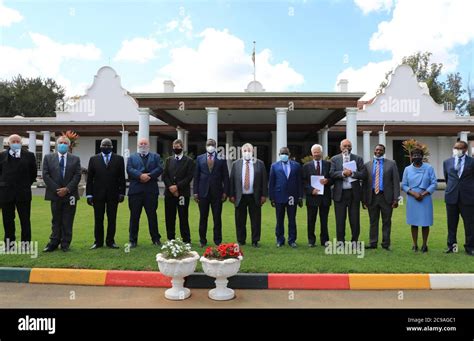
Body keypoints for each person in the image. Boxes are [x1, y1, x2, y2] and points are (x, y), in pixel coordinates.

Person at [42, 136, 81, 252]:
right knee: (56, 219)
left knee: (68, 219)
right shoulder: (48, 158)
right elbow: (46, 175)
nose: (63, 144)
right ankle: (53, 242)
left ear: (68, 145)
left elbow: (77, 175)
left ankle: (65, 244)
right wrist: (58, 189)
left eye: (65, 143)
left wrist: (67, 189)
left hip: (70, 195)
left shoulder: (75, 159)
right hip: (55, 194)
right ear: (57, 144)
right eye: (60, 142)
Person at [86, 138, 126, 249]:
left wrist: (122, 193)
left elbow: (122, 177)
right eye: (104, 145)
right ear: (100, 146)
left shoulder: (119, 159)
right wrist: (89, 195)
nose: (106, 147)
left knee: (112, 218)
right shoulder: (93, 159)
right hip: (97, 194)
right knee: (98, 219)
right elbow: (89, 179)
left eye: (109, 145)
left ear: (112, 147)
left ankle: (110, 241)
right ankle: (98, 242)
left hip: (113, 195)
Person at [0, 134, 37, 251]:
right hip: (6, 193)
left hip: (23, 193)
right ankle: (9, 244)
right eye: (13, 141)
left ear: (21, 143)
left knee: (25, 220)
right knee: (7, 220)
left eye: (18, 141)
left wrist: (25, 185)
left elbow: (33, 174)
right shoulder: (1, 156)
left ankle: (25, 245)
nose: (15, 143)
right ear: (9, 143)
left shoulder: (29, 156)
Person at [229, 143, 268, 247]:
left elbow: (264, 180)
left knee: (255, 220)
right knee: (240, 220)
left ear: (253, 151)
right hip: (240, 196)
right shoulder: (235, 164)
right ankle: (241, 240)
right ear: (241, 152)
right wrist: (231, 195)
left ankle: (255, 240)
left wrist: (264, 195)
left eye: (249, 150)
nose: (247, 152)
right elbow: (232, 180)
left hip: (254, 196)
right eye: (245, 150)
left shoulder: (260, 163)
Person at [362, 144, 400, 250]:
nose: (378, 151)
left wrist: (396, 198)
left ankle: (386, 244)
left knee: (386, 221)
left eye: (381, 150)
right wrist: (364, 200)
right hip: (372, 197)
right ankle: (373, 243)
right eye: (376, 149)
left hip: (386, 197)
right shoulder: (367, 165)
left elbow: (396, 182)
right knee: (373, 221)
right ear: (374, 151)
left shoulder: (392, 164)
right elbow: (365, 184)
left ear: (384, 151)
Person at [126, 138, 163, 248]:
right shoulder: (132, 158)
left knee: (152, 216)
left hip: (150, 191)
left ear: (149, 145)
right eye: (141, 144)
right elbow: (129, 169)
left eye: (145, 144)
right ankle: (133, 240)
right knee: (134, 216)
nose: (143, 145)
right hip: (135, 191)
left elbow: (160, 168)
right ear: (138, 145)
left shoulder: (155, 156)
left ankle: (156, 239)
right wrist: (140, 175)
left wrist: (149, 176)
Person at [193, 138, 229, 247]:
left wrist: (225, 192)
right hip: (202, 192)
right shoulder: (199, 158)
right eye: (209, 144)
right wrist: (195, 192)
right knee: (203, 217)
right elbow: (196, 176)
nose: (211, 146)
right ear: (205, 146)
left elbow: (225, 177)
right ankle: (202, 240)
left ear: (216, 146)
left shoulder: (221, 158)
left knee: (217, 218)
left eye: (212, 144)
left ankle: (218, 241)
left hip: (217, 193)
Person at [329, 139, 366, 243]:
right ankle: (340, 242)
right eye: (345, 146)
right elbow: (331, 173)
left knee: (354, 220)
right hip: (339, 194)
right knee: (340, 220)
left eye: (349, 146)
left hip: (354, 194)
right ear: (341, 147)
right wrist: (343, 173)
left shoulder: (358, 159)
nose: (347, 148)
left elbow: (363, 174)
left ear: (351, 147)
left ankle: (354, 241)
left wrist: (352, 173)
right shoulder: (334, 159)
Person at [401, 148, 437, 253]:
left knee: (425, 223)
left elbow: (434, 183)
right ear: (411, 157)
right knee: (414, 222)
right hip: (412, 198)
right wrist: (414, 194)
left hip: (425, 198)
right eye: (414, 155)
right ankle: (415, 244)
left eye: (419, 154)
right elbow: (404, 185)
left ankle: (425, 245)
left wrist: (423, 194)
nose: (416, 156)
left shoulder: (429, 168)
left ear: (422, 156)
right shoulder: (407, 169)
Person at [443, 140, 474, 256]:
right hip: (451, 197)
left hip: (468, 197)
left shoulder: (472, 162)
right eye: (455, 147)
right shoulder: (447, 162)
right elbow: (447, 179)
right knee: (451, 224)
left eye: (459, 148)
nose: (456, 150)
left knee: (470, 224)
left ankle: (470, 247)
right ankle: (452, 246)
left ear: (465, 150)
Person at [268, 147, 303, 248]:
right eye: (282, 153)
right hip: (279, 196)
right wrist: (271, 197)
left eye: (285, 153)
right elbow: (271, 182)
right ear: (279, 155)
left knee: (292, 219)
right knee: (279, 219)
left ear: (289, 154)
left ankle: (292, 240)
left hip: (292, 196)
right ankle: (280, 239)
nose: (284, 155)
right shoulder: (274, 166)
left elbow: (299, 182)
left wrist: (300, 196)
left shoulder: (296, 166)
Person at [162, 139, 195, 243]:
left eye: (178, 147)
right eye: (174, 147)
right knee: (169, 217)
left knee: (183, 216)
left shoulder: (189, 161)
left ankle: (186, 240)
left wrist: (177, 187)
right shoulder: (168, 160)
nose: (176, 149)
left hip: (182, 194)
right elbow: (165, 176)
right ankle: (170, 239)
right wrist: (171, 187)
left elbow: (189, 177)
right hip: (169, 194)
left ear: (182, 147)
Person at [302, 144, 332, 247]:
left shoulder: (328, 165)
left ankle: (324, 240)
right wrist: (311, 190)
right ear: (312, 153)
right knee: (311, 220)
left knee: (324, 221)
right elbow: (304, 182)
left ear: (321, 153)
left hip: (325, 197)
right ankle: (311, 240)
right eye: (314, 152)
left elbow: (333, 179)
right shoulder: (306, 166)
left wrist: (327, 181)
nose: (316, 154)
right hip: (312, 197)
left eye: (318, 152)